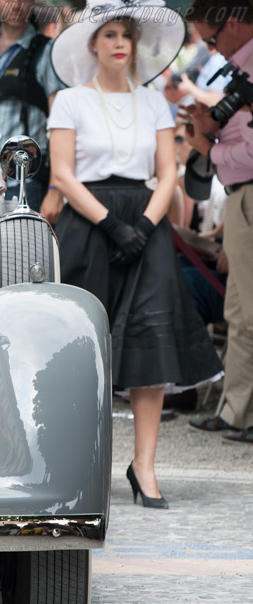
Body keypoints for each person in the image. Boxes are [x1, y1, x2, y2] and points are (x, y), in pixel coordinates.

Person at [47, 0, 221, 508]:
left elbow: (168, 171)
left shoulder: (152, 103)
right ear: (94, 44)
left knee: (151, 343)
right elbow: (61, 175)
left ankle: (144, 466)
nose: (120, 43)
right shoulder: (71, 101)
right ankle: (80, 465)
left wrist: (144, 225)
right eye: (110, 35)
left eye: (127, 35)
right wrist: (111, 224)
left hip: (146, 224)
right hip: (89, 222)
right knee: (84, 346)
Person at [184, 0, 253, 444]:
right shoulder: (239, 71)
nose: (213, 50)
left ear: (231, 22)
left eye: (211, 39)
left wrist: (208, 148)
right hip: (238, 196)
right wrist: (209, 128)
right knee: (239, 313)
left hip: (247, 192)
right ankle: (237, 413)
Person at [0, 0, 65, 216]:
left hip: (25, 183)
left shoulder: (47, 51)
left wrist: (55, 189)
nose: (16, 5)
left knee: (20, 249)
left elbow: (60, 126)